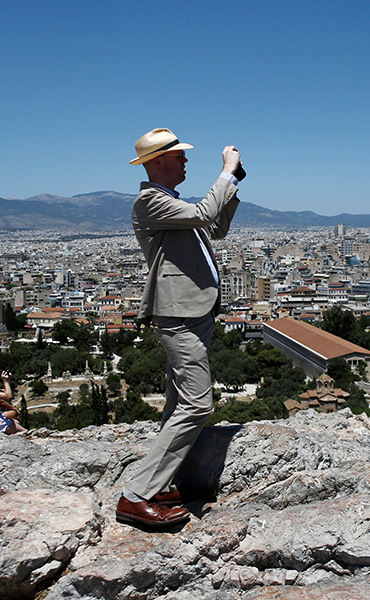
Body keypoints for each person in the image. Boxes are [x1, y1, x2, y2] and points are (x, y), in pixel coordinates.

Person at [116, 128, 242, 528]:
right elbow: (205, 215)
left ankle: (164, 483)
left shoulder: (172, 203)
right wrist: (225, 172)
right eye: (178, 155)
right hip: (178, 315)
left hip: (194, 311)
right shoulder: (149, 201)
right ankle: (136, 496)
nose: (185, 160)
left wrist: (233, 186)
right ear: (157, 162)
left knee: (177, 404)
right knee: (197, 403)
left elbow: (215, 228)